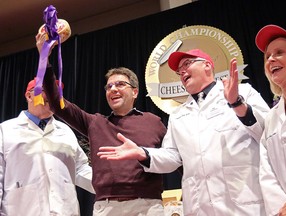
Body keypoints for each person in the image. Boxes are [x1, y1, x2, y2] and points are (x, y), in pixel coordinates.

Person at [98, 48, 271, 215]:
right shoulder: (178, 114)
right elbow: (172, 157)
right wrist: (142, 153)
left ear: (207, 66)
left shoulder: (243, 92)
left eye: (187, 64)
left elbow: (266, 132)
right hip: (199, 206)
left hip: (244, 203)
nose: (182, 72)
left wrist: (236, 103)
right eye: (179, 71)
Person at [41, 54, 167, 214]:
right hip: (107, 207)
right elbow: (57, 104)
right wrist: (44, 58)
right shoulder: (96, 123)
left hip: (147, 206)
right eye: (109, 87)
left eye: (120, 84)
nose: (113, 89)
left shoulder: (153, 122)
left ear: (135, 92)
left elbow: (175, 157)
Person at [0, 78, 94, 215]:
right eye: (46, 91)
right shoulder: (5, 130)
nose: (52, 96)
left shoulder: (65, 130)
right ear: (29, 95)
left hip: (65, 211)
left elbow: (80, 168)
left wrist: (112, 187)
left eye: (56, 92)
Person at [255, 24, 286, 216]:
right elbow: (267, 172)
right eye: (268, 56)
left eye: (279, 52)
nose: (271, 59)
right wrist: (281, 208)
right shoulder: (272, 118)